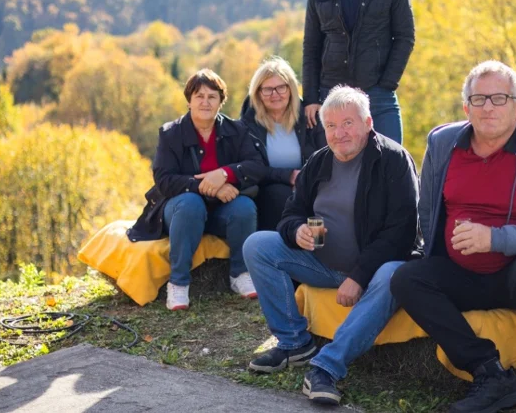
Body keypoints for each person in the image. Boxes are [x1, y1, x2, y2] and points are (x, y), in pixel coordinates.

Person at [390, 61, 516, 413]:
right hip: (461, 274)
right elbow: (428, 209)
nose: (488, 108)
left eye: (499, 98)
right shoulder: (442, 144)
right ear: (466, 108)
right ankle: (489, 373)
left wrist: (495, 239)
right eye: (478, 99)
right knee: (407, 278)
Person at [242, 86, 418, 406]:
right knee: (257, 245)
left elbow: (402, 232)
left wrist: (359, 275)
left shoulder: (393, 159)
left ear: (368, 122)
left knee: (395, 274)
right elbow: (291, 214)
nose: (339, 133)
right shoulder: (318, 161)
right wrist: (296, 231)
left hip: (374, 271)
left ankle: (327, 366)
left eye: (348, 123)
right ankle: (295, 343)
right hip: (321, 264)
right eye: (332, 126)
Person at [127, 69, 266, 311]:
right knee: (191, 203)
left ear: (221, 101)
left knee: (244, 207)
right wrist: (208, 186)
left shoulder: (237, 130)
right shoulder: (171, 133)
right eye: (199, 96)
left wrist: (225, 174)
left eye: (212, 96)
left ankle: (240, 274)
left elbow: (256, 166)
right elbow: (164, 180)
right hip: (180, 211)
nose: (205, 102)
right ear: (189, 101)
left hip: (220, 212)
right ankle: (178, 283)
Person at [301, 0, 415, 144]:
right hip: (330, 93)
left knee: (390, 158)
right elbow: (311, 47)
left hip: (378, 93)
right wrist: (311, 98)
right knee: (335, 162)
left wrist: (387, 83)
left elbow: (405, 37)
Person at [239, 57, 326, 231]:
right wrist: (289, 176)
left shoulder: (309, 118)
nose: (275, 94)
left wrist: (304, 178)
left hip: (309, 185)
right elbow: (251, 169)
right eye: (267, 89)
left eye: (281, 87)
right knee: (279, 195)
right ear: (258, 93)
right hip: (269, 192)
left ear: (291, 89)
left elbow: (325, 156)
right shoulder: (247, 126)